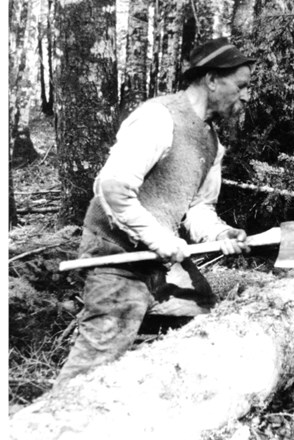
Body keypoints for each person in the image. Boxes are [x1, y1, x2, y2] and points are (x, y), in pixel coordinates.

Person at [56, 37, 255, 384]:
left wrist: (220, 233)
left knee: (204, 327)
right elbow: (112, 187)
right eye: (241, 86)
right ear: (211, 80)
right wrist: (158, 238)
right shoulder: (158, 119)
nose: (247, 95)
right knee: (93, 367)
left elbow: (198, 207)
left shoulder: (212, 144)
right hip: (114, 258)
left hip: (156, 266)